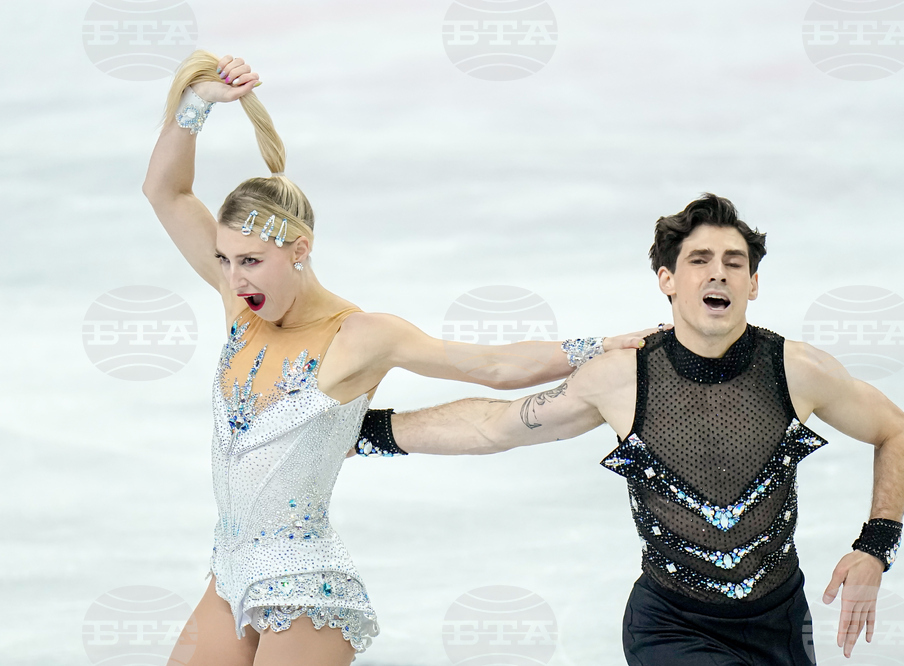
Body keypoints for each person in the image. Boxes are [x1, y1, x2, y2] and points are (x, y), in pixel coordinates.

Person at [142, 50, 653, 666]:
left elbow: (489, 367)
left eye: (250, 261)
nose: (233, 276)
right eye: (224, 259)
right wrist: (196, 104)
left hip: (305, 588)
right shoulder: (240, 308)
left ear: (299, 249)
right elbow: (165, 191)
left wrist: (595, 347)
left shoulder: (360, 337)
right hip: (228, 571)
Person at [353, 193, 904, 665]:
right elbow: (496, 426)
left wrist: (876, 546)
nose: (718, 271)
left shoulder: (797, 371)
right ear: (667, 279)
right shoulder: (622, 378)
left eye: (734, 261)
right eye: (699, 260)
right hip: (670, 627)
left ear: (753, 283)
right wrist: (366, 430)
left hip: (781, 623)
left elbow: (897, 431)